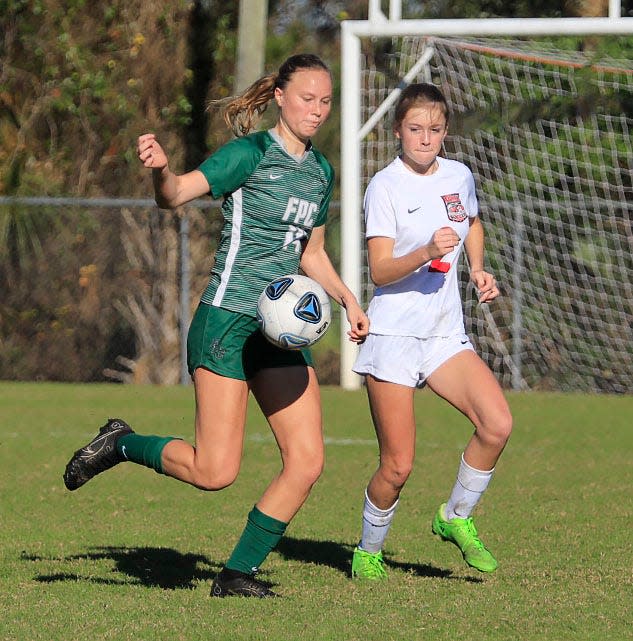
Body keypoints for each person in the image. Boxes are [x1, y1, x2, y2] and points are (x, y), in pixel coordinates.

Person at [63, 53, 369, 598]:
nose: (316, 110)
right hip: (227, 323)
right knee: (214, 471)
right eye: (306, 98)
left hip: (277, 334)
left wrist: (347, 297)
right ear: (279, 96)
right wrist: (160, 169)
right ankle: (123, 444)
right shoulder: (248, 155)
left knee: (307, 461)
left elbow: (312, 252)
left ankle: (236, 575)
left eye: (325, 101)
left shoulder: (321, 172)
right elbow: (175, 194)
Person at [350, 83, 512, 580]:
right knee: (397, 467)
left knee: (497, 424)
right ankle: (368, 550)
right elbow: (378, 270)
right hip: (394, 339)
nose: (425, 138)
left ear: (445, 132)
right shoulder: (384, 186)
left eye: (435, 130)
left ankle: (454, 518)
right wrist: (425, 251)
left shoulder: (459, 176)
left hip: (444, 335)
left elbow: (473, 223)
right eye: (415, 129)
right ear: (398, 131)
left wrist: (478, 268)